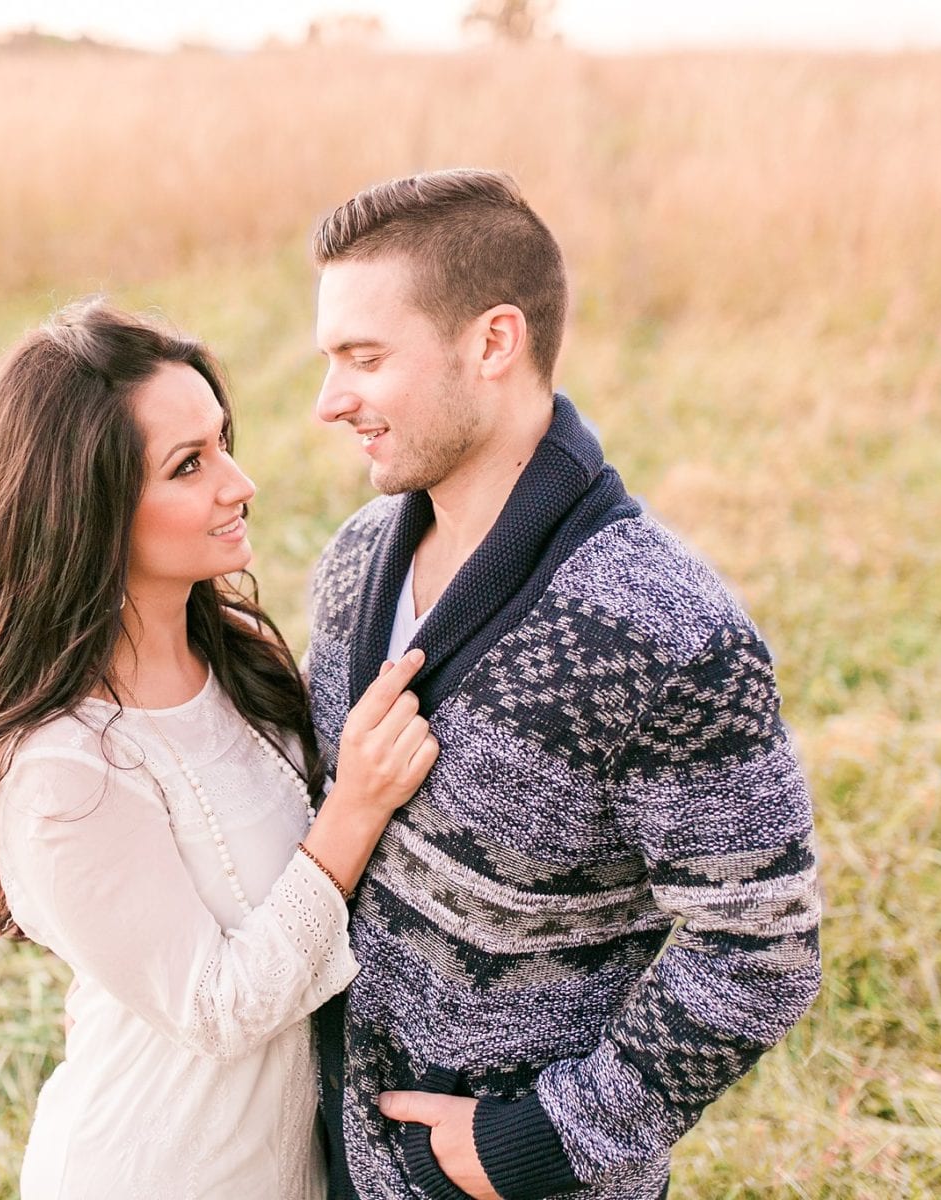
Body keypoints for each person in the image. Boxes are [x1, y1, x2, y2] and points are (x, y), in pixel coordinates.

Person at [304, 169, 824, 1200]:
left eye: (365, 359)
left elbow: (761, 941)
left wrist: (542, 1139)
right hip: (330, 1154)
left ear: (493, 342)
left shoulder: (665, 628)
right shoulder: (356, 558)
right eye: (331, 362)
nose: (329, 403)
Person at [0, 301, 439, 1198]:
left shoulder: (234, 658)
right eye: (189, 465)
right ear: (86, 513)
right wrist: (357, 806)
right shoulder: (63, 771)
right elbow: (220, 1005)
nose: (238, 483)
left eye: (221, 442)